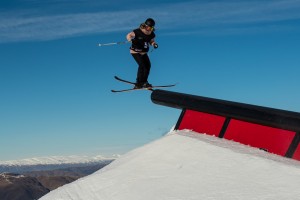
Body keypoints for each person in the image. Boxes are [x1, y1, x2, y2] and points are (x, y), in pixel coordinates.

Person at [126, 18, 158, 89]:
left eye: (150, 27)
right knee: (142, 65)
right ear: (144, 25)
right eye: (147, 26)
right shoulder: (138, 31)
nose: (148, 29)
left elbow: (151, 41)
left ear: (152, 28)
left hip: (143, 52)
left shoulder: (151, 34)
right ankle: (138, 83)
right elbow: (129, 35)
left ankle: (144, 82)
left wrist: (154, 44)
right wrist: (131, 40)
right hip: (135, 52)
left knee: (148, 66)